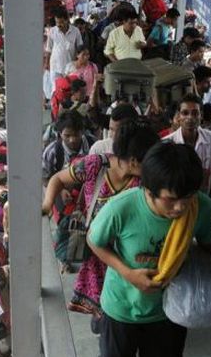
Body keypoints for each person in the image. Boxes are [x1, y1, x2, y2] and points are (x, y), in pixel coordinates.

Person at [88, 142, 211, 357]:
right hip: (122, 309)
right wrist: (128, 274)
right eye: (171, 199)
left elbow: (208, 247)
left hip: (169, 312)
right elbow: (94, 241)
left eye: (187, 197)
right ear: (149, 190)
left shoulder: (200, 207)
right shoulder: (121, 208)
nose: (180, 207)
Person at [43, 119, 160, 316]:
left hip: (128, 260)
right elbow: (58, 179)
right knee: (104, 315)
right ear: (134, 161)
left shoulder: (145, 182)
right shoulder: (95, 165)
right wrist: (47, 205)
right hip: (97, 258)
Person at [163, 93, 211, 194]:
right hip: (176, 199)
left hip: (202, 198)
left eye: (195, 113)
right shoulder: (167, 143)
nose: (190, 117)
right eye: (185, 113)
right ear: (178, 116)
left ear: (201, 115)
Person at [44, 7, 83, 97]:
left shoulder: (75, 31)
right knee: (55, 91)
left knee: (70, 91)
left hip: (70, 67)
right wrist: (46, 63)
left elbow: (80, 48)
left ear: (67, 20)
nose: (59, 25)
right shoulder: (52, 31)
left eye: (61, 22)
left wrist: (79, 63)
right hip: (55, 66)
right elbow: (49, 49)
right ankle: (55, 106)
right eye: (57, 22)